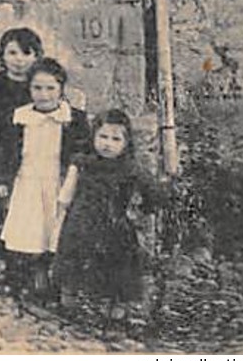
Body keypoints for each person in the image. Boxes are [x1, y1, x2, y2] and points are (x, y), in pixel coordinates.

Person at [52, 109, 169, 329]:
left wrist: (147, 207)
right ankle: (69, 301)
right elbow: (67, 192)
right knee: (73, 258)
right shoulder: (82, 163)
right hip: (82, 220)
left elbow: (152, 193)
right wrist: (61, 210)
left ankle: (117, 307)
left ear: (126, 143)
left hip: (113, 223)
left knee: (118, 264)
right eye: (103, 137)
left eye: (116, 139)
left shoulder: (130, 169)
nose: (108, 144)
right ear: (93, 136)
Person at [0, 57, 92, 309]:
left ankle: (47, 280)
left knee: (52, 230)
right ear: (29, 89)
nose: (44, 94)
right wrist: (3, 180)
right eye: (37, 88)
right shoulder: (20, 117)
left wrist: (73, 178)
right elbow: (6, 152)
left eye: (50, 88)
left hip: (56, 181)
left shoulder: (73, 118)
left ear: (61, 89)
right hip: (27, 180)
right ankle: (17, 277)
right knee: (24, 230)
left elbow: (81, 152)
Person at [0, 27, 45, 256]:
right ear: (2, 55)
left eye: (26, 53)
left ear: (36, 56)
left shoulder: (41, 88)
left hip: (32, 156)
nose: (19, 60)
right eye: (12, 53)